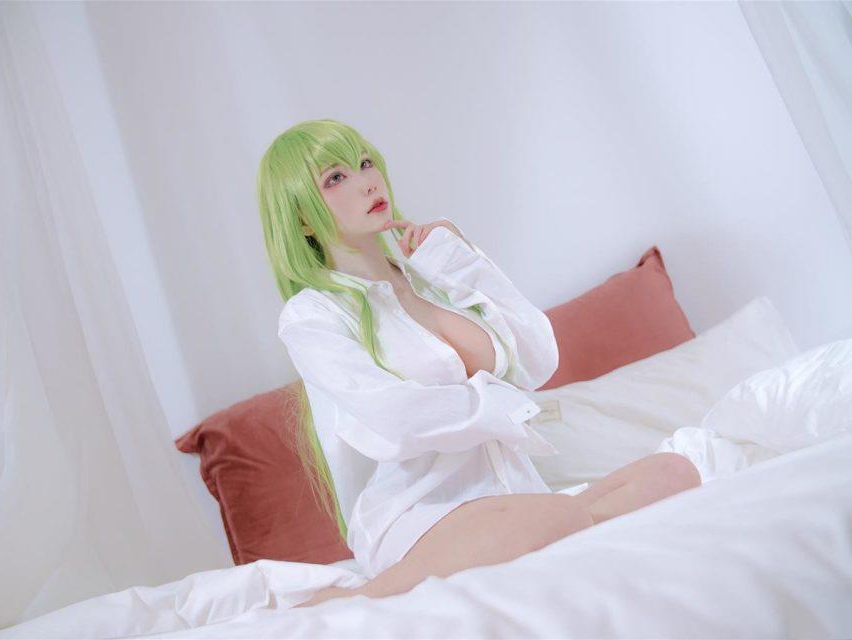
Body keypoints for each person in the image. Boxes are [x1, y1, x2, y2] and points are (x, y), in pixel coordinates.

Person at [256, 119, 701, 609]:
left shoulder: (432, 274)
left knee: (673, 472)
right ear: (302, 218)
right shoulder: (312, 316)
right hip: (418, 513)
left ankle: (557, 528)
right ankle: (363, 594)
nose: (367, 182)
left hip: (514, 493)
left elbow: (537, 358)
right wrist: (500, 405)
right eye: (336, 178)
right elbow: (395, 418)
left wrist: (460, 261)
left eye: (366, 163)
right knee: (556, 518)